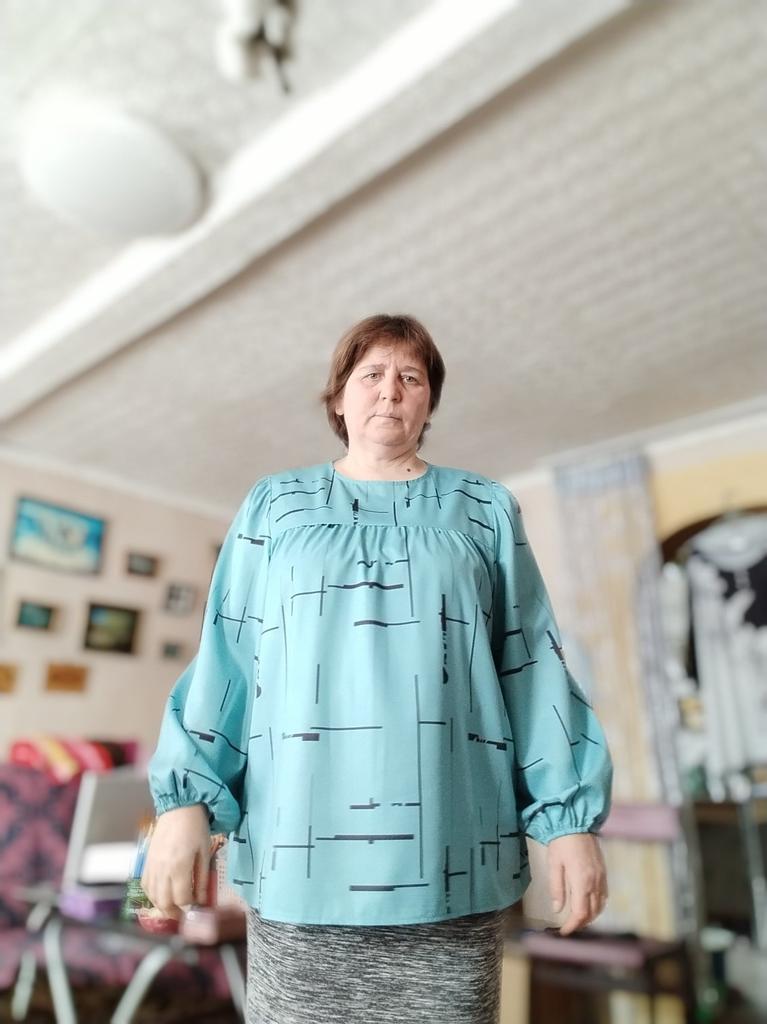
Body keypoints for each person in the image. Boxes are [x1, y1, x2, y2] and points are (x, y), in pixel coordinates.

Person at [142, 313, 613, 1024]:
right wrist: (185, 802)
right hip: (298, 860)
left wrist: (567, 819)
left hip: (451, 856)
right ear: (338, 397)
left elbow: (529, 666)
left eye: (410, 377)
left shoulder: (485, 508)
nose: (390, 390)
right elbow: (230, 657)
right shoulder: (274, 505)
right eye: (371, 374)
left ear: (429, 402)